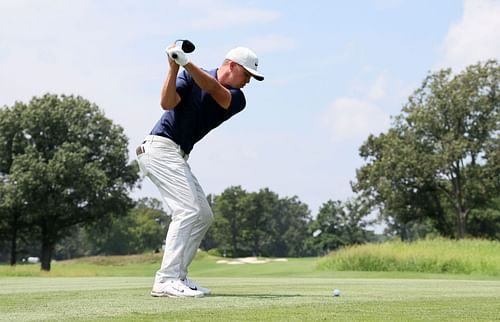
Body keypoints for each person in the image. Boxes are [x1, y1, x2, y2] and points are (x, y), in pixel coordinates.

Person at [136, 42, 264, 298]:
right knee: (187, 211)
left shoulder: (237, 98)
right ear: (232, 66)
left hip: (176, 154)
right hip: (159, 148)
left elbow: (213, 87)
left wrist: (184, 62)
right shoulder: (189, 75)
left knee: (203, 215)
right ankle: (166, 279)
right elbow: (166, 102)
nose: (248, 81)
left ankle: (179, 276)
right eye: (247, 74)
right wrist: (173, 68)